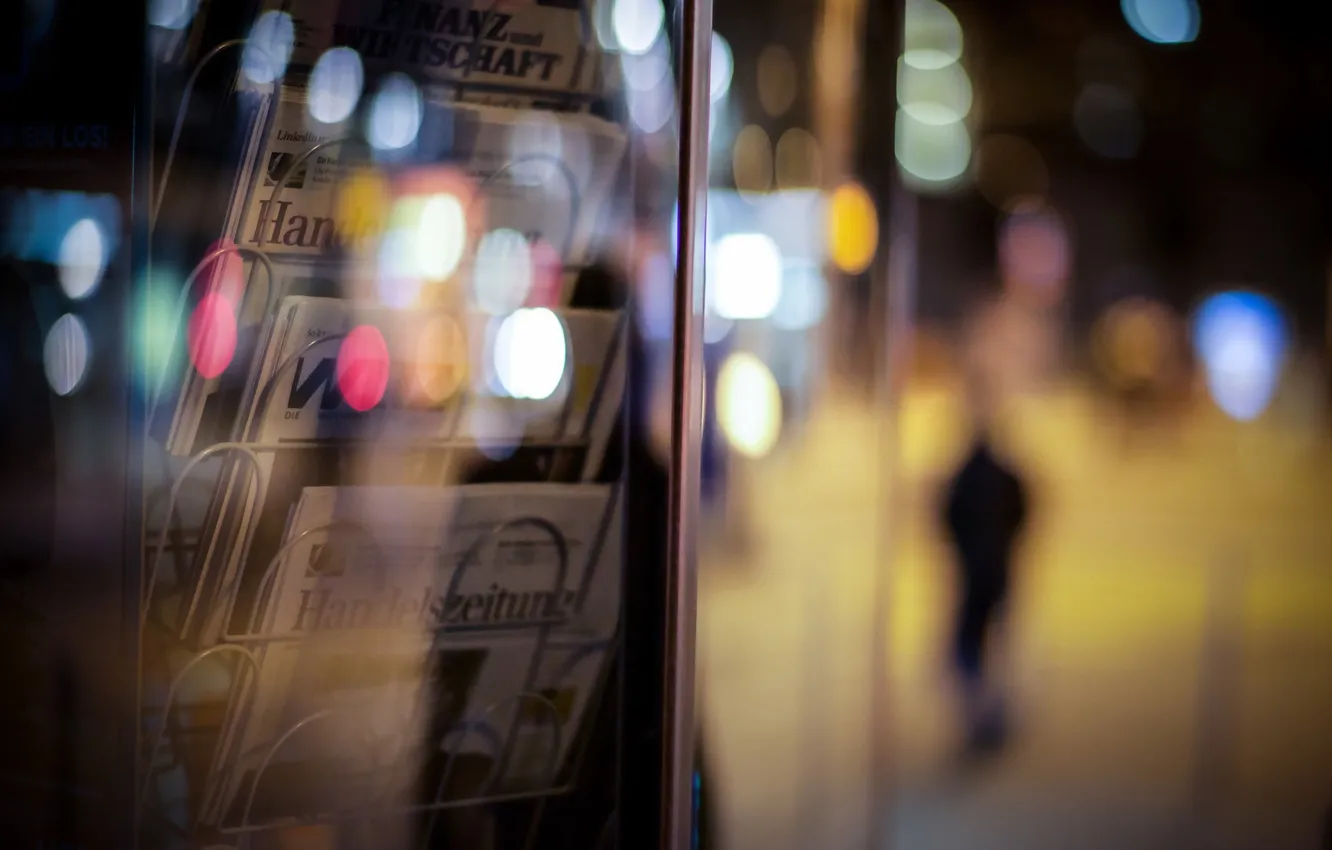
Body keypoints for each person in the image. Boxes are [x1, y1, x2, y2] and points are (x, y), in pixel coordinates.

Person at [940, 375, 1029, 754]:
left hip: (977, 573)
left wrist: (965, 550)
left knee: (970, 649)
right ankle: (990, 717)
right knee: (988, 647)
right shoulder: (1003, 474)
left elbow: (947, 516)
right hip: (995, 570)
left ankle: (986, 718)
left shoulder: (968, 475)